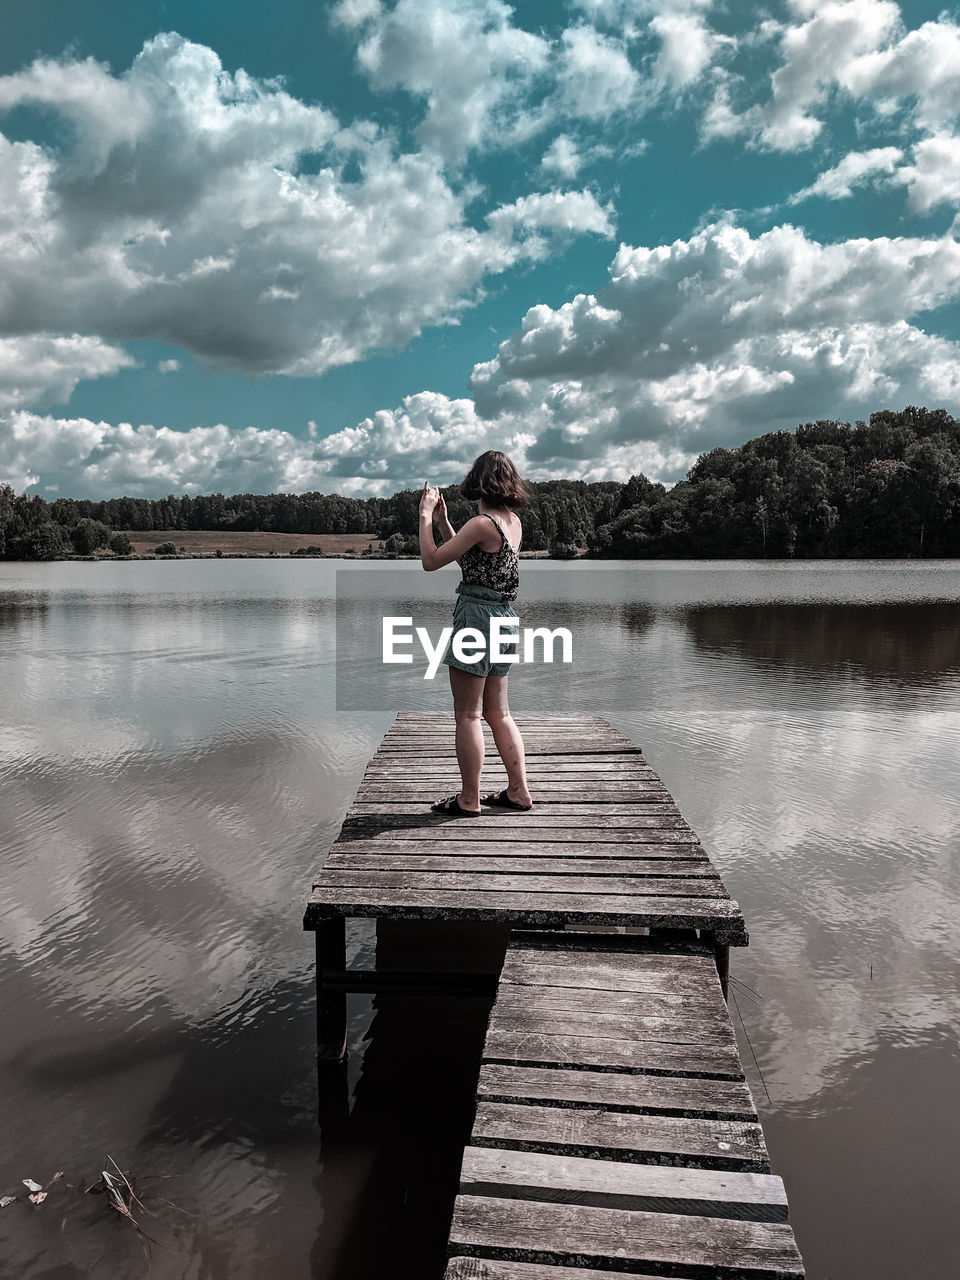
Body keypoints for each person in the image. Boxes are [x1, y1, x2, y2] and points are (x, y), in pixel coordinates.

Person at [418, 450, 534, 818]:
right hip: (503, 616)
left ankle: (469, 798)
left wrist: (423, 517)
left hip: (477, 618)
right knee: (498, 712)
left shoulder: (482, 522)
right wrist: (444, 522)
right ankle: (519, 791)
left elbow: (431, 561)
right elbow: (471, 559)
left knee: (467, 715)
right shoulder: (511, 523)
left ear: (480, 482)